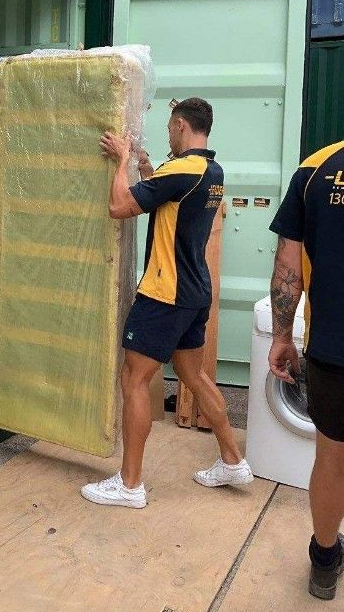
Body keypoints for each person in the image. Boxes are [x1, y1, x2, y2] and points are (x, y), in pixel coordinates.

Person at [82, 97, 252, 508]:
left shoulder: (181, 170)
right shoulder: (211, 171)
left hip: (164, 293)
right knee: (194, 377)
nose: (167, 135)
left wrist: (121, 160)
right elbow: (171, 199)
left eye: (168, 128)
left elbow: (119, 207)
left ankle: (129, 484)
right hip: (194, 292)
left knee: (134, 379)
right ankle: (232, 459)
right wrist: (145, 169)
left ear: (179, 125)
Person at [267, 139, 344, 600]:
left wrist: (281, 335)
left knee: (331, 461)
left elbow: (288, 265)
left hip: (332, 350)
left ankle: (324, 561)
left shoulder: (317, 168)